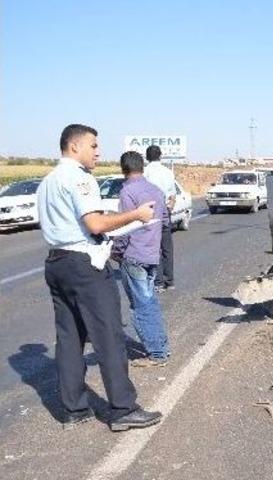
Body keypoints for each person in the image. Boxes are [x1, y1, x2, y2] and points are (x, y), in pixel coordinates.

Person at [36, 124, 162, 431]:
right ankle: (122, 410)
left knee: (69, 338)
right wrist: (136, 216)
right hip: (84, 266)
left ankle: (74, 410)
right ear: (75, 147)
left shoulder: (48, 181)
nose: (98, 152)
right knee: (109, 336)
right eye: (93, 146)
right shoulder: (79, 179)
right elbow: (94, 224)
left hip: (57, 262)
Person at [113, 151, 172, 368]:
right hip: (151, 255)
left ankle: (157, 353)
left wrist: (117, 253)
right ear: (143, 167)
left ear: (124, 169)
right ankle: (161, 347)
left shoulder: (127, 192)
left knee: (141, 305)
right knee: (150, 301)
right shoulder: (155, 190)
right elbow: (165, 221)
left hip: (134, 256)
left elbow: (125, 228)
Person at [143, 145, 176, 291]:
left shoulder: (145, 172)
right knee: (166, 247)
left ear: (147, 157)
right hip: (164, 211)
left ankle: (159, 282)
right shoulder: (168, 171)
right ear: (160, 156)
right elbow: (172, 195)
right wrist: (169, 208)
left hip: (150, 213)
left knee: (154, 247)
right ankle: (170, 281)